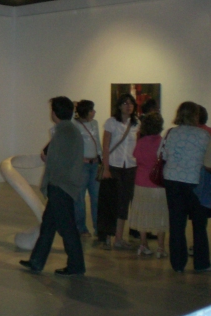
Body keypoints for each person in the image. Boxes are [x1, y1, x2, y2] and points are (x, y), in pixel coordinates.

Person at [20, 97, 85, 276]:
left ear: (55, 113)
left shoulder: (65, 132)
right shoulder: (69, 130)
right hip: (62, 184)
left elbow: (57, 161)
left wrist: (47, 160)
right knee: (48, 225)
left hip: (61, 185)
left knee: (67, 228)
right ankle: (36, 261)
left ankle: (76, 265)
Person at [162, 102, 211, 272]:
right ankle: (201, 263)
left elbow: (162, 154)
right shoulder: (203, 135)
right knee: (199, 224)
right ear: (196, 115)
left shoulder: (171, 133)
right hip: (195, 182)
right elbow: (208, 161)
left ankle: (177, 264)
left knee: (176, 223)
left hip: (172, 180)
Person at [99, 93, 140, 249]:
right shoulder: (111, 122)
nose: (128, 106)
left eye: (131, 103)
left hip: (130, 167)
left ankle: (119, 238)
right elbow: (106, 147)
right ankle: (107, 237)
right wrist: (106, 168)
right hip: (114, 166)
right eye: (125, 103)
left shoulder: (137, 123)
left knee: (124, 202)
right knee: (110, 202)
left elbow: (138, 145)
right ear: (119, 106)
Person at [128, 113, 168, 258]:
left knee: (142, 213)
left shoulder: (141, 142)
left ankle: (143, 244)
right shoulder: (162, 142)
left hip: (141, 182)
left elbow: (136, 157)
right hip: (158, 183)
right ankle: (160, 247)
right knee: (160, 215)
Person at [72, 100, 102, 237]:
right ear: (85, 111)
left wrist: (101, 158)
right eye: (91, 110)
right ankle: (81, 227)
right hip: (82, 165)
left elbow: (97, 141)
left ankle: (98, 227)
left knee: (96, 197)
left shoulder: (95, 123)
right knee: (79, 197)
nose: (94, 112)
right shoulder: (75, 124)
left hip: (95, 164)